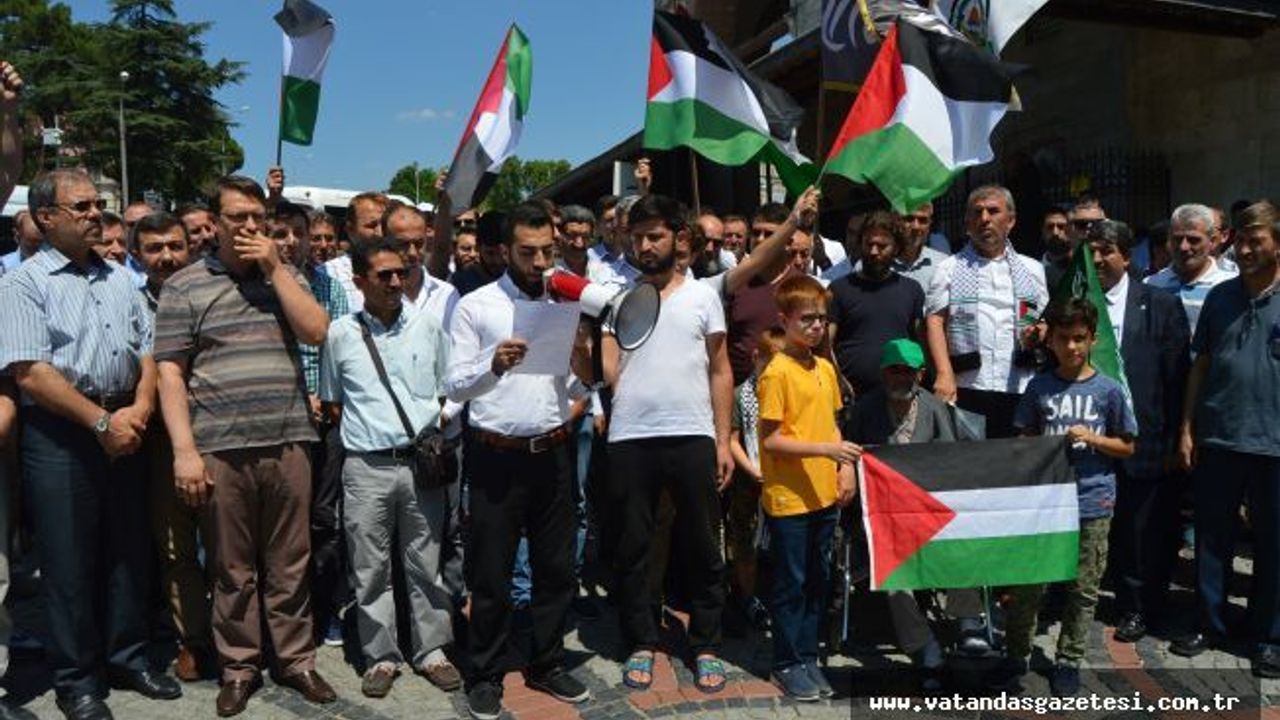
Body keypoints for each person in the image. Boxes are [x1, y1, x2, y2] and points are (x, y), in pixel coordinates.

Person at [0, 169, 180, 720]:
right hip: (63, 433)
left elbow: (145, 353)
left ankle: (127, 655)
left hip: (126, 419)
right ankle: (77, 678)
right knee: (69, 560)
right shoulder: (23, 284)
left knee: (127, 549)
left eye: (97, 204)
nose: (94, 213)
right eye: (80, 206)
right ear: (46, 217)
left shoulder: (121, 276)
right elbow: (31, 372)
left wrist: (140, 408)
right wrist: (101, 425)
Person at [153, 176, 335, 717]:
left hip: (288, 438)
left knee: (290, 562)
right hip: (220, 445)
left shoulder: (286, 275)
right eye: (239, 218)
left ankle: (296, 660)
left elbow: (318, 331)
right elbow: (169, 373)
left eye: (258, 217)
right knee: (231, 568)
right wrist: (184, 450)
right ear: (216, 223)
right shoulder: (185, 286)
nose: (251, 227)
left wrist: (277, 269)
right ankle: (239, 665)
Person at [445, 202, 594, 720]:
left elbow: (578, 386)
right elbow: (454, 384)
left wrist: (582, 359)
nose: (539, 261)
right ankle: (484, 671)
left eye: (547, 252)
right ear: (506, 250)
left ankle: (546, 660)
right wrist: (493, 364)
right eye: (528, 252)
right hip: (495, 458)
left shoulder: (565, 301)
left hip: (552, 453)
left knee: (556, 569)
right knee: (491, 572)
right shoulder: (477, 306)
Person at [600, 194, 732, 695]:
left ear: (679, 239)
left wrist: (723, 440)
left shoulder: (703, 296)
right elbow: (609, 370)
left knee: (701, 543)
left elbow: (721, 370)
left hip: (693, 434)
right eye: (637, 237)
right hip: (631, 436)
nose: (644, 245)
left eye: (654, 235)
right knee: (633, 545)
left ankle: (705, 643)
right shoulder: (617, 298)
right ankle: (641, 640)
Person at [319, 239, 461, 697]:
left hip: (420, 467)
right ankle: (381, 656)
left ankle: (432, 650)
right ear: (359, 281)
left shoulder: (428, 327)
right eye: (384, 275)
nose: (396, 282)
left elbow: (447, 392)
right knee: (370, 567)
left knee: (426, 563)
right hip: (365, 468)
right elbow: (334, 401)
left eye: (401, 273)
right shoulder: (340, 334)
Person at [992, 297, 1137, 697]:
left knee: (1083, 588)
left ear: (1092, 340)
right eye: (1063, 339)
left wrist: (1093, 438)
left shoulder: (1108, 390)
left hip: (1093, 500)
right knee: (1028, 586)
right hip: (1045, 504)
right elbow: (1022, 439)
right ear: (1050, 342)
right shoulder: (1039, 387)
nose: (1071, 347)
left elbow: (1127, 446)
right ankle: (1016, 655)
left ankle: (1069, 659)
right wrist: (1039, 446)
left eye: (1079, 339)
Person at [1173, 200, 1280, 679]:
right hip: (1218, 436)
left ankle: (1267, 636)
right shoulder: (1221, 297)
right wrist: (1188, 427)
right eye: (1242, 239)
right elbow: (1201, 364)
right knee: (1212, 540)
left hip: (1274, 444)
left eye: (1258, 240)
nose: (1247, 248)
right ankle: (1210, 623)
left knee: (1273, 545)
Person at [845, 339, 990, 692]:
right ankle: (925, 648)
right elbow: (849, 456)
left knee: (962, 540)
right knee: (896, 576)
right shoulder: (865, 410)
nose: (900, 377)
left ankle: (968, 619)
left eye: (907, 371)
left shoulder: (936, 408)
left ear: (921, 374)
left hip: (931, 511)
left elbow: (952, 461)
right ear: (883, 373)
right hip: (884, 517)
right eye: (894, 370)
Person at [1087, 220, 1191, 644]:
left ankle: (1142, 607)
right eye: (1090, 251)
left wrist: (1174, 436)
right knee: (1106, 529)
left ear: (1127, 257)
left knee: (1144, 529)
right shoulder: (1078, 302)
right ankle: (1107, 597)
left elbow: (1177, 377)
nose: (1097, 260)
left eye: (1106, 251)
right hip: (1093, 439)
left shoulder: (1159, 303)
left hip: (1146, 438)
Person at [756, 275, 858, 701]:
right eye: (807, 319)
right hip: (789, 498)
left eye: (821, 319)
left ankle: (806, 655)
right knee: (790, 583)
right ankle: (785, 661)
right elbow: (771, 439)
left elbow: (834, 422)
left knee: (818, 580)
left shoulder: (826, 368)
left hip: (823, 493)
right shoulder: (777, 372)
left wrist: (844, 469)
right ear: (785, 320)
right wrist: (823, 451)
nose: (816, 326)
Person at [131, 213, 213, 681]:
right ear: (138, 255)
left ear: (190, 246)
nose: (166, 257)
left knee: (226, 547)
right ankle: (192, 640)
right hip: (160, 439)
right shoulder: (129, 299)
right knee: (175, 545)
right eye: (155, 248)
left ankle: (231, 634)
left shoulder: (210, 290)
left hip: (214, 432)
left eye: (175, 246)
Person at [926, 185, 1049, 438]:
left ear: (1011, 221)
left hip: (1019, 383)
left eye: (993, 211)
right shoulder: (949, 268)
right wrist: (943, 372)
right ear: (968, 223)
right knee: (973, 465)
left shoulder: (1032, 269)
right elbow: (935, 320)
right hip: (968, 385)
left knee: (1016, 462)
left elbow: (1045, 319)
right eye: (977, 212)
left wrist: (1040, 332)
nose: (985, 219)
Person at [726, 329, 785, 635]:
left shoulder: (789, 389)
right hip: (749, 482)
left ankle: (778, 598)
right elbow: (732, 438)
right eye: (771, 361)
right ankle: (747, 597)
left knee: (781, 545)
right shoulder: (739, 394)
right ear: (756, 358)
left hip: (784, 481)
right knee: (745, 541)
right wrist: (751, 469)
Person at [827, 211, 925, 396]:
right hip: (850, 398)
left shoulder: (912, 290)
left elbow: (920, 343)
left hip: (898, 397)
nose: (873, 251)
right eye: (868, 244)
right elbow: (826, 343)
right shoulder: (839, 289)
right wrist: (838, 380)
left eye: (882, 246)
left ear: (896, 248)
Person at [725, 202, 805, 388]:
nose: (760, 240)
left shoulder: (804, 286)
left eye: (769, 234)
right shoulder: (734, 283)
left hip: (791, 392)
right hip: (739, 397)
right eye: (756, 233)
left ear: (788, 241)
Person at [1144, 204, 1237, 335]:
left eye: (1193, 240)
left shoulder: (1231, 285)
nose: (1184, 247)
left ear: (1213, 241)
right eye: (1177, 239)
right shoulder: (1151, 285)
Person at [324, 191, 389, 311]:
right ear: (350, 230)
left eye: (384, 224)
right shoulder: (328, 273)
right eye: (371, 225)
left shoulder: (404, 271)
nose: (380, 233)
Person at [895, 202, 951, 290]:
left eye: (922, 220)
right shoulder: (879, 262)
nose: (916, 227)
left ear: (929, 225)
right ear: (896, 222)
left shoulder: (943, 264)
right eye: (909, 219)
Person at [1040, 204, 1072, 290]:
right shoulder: (1034, 269)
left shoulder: (1082, 266)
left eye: (1061, 227)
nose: (1055, 232)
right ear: (1043, 231)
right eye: (1050, 227)